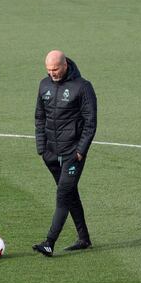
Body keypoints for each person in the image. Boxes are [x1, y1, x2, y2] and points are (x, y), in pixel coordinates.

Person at [32, 50, 97, 257]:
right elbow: (39, 117)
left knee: (62, 195)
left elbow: (90, 122)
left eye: (56, 69)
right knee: (70, 195)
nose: (52, 73)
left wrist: (80, 151)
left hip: (72, 154)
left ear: (65, 65)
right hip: (51, 154)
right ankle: (84, 238)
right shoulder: (44, 85)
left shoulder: (83, 87)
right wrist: (41, 148)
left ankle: (49, 243)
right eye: (49, 70)